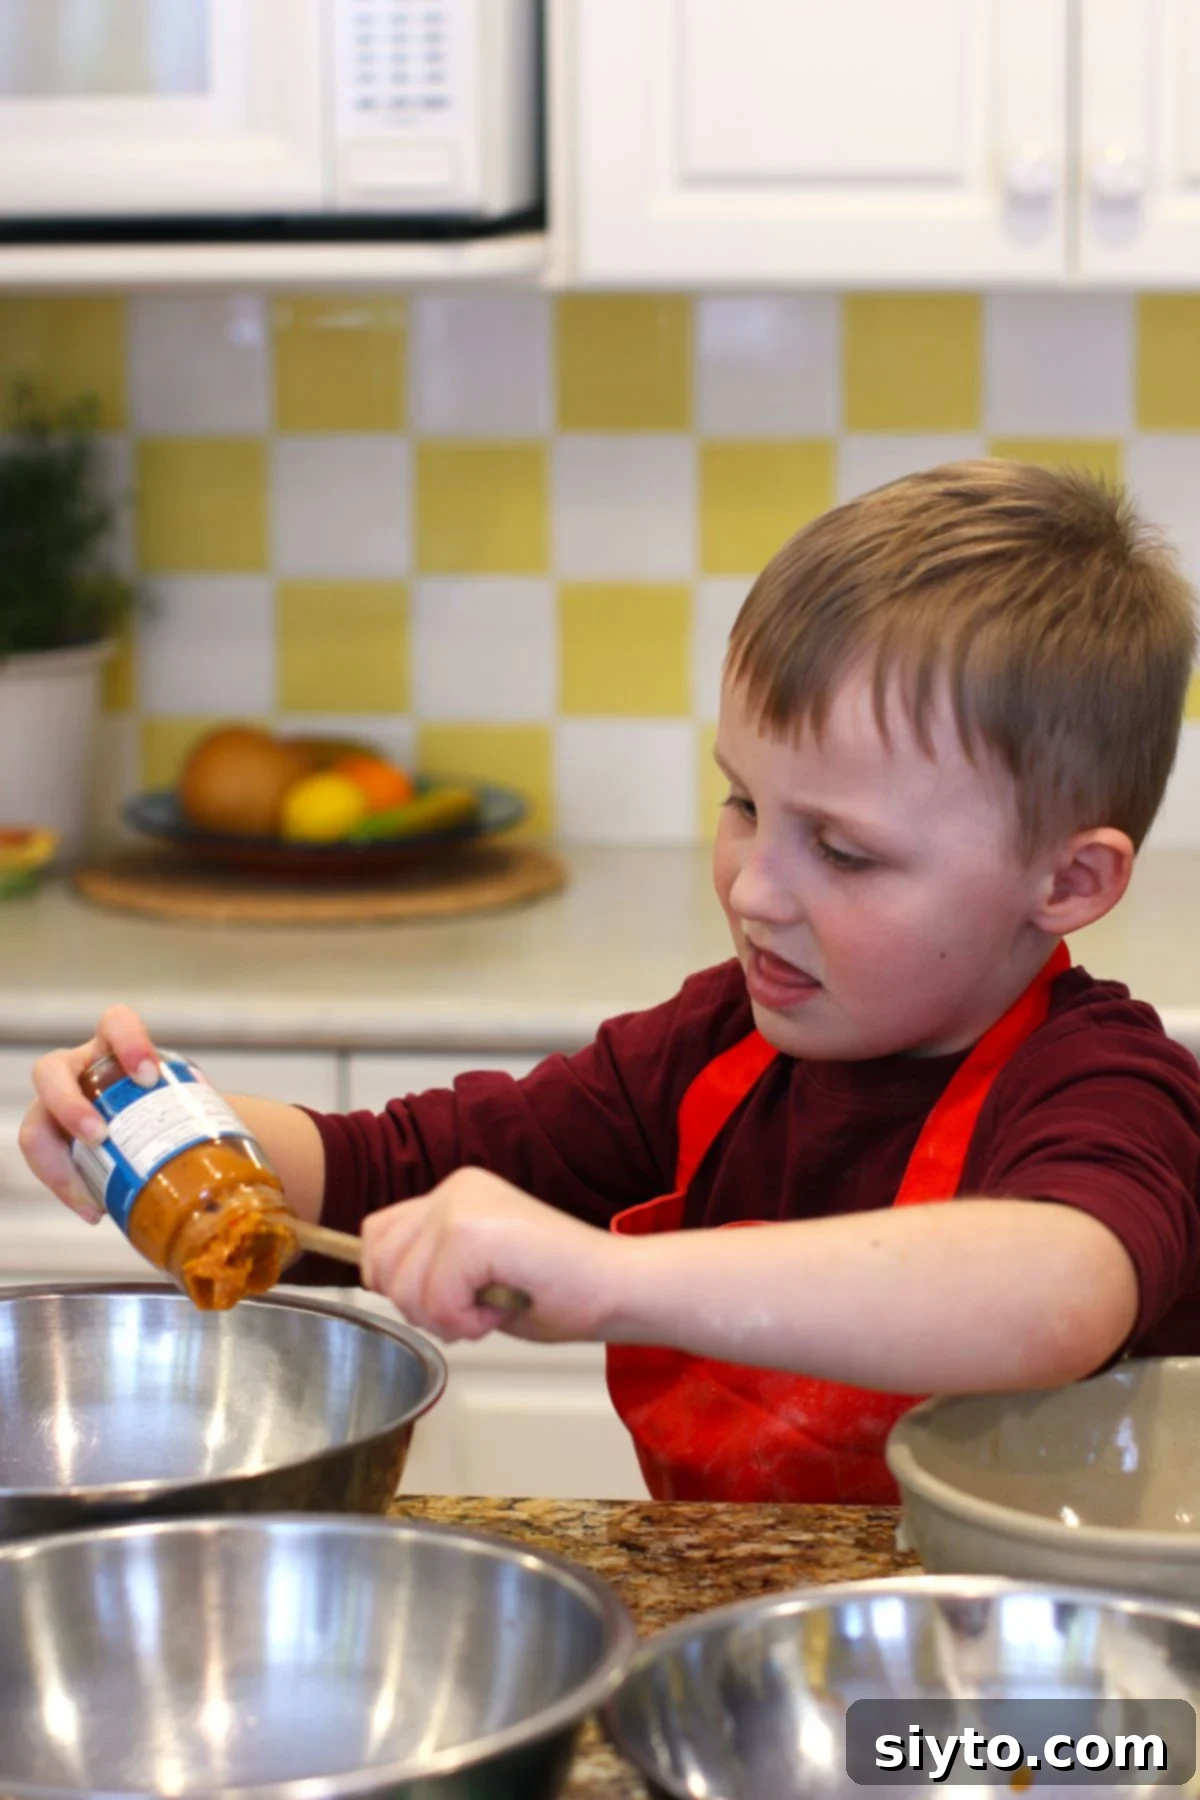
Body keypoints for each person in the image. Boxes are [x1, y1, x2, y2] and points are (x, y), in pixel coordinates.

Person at [20, 461, 1200, 1505]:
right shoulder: (714, 1049)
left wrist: (617, 1278)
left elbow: (1052, 1291)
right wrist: (159, 1127)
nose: (753, 890)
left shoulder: (1105, 1088)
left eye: (842, 850)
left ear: (1069, 882)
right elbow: (390, 1173)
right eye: (744, 804)